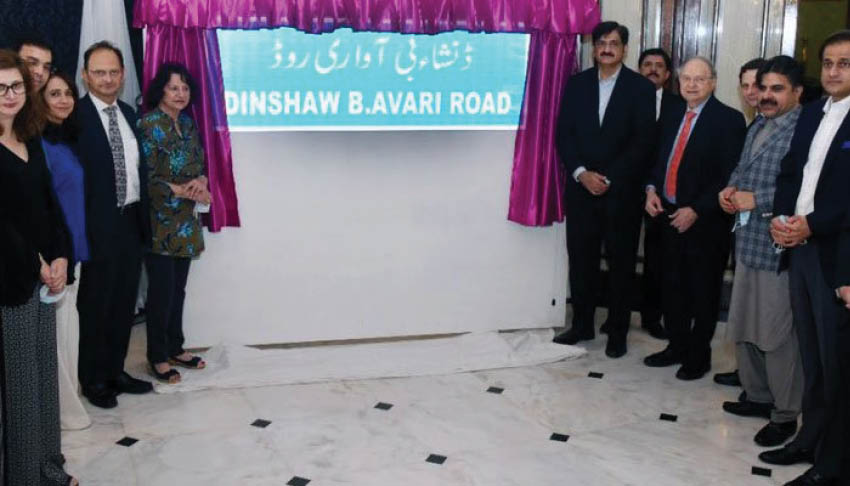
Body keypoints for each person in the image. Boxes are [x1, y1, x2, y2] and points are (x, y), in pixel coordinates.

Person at [762, 30, 850, 486]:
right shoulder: (814, 111)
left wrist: (813, 224)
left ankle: (833, 464)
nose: (834, 71)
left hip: (838, 254)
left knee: (838, 365)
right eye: (828, 62)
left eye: (845, 63)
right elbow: (790, 171)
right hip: (800, 247)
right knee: (812, 354)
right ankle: (809, 439)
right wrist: (782, 217)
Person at [553, 21, 656, 358]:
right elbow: (564, 134)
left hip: (621, 193)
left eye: (614, 43)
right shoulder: (577, 84)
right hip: (581, 191)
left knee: (621, 265)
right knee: (581, 261)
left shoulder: (641, 88)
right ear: (593, 48)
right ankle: (582, 324)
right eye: (601, 43)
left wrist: (609, 178)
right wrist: (581, 173)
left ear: (624, 49)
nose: (607, 49)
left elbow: (643, 142)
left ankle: (617, 332)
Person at [717, 56, 804, 448]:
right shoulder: (759, 123)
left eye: (776, 89)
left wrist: (758, 200)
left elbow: (804, 189)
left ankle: (785, 414)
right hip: (747, 240)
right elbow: (742, 168)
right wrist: (730, 189)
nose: (766, 95)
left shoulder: (803, 130)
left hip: (778, 243)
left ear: (797, 92)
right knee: (745, 324)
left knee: (776, 334)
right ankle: (757, 396)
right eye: (763, 87)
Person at [0, 48, 77, 486]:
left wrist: (62, 253)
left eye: (16, 86)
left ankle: (49, 468)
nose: (10, 94)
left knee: (42, 379)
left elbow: (50, 205)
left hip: (41, 281)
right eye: (0, 88)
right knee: (19, 389)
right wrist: (37, 260)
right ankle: (24, 476)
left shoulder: (29, 138)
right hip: (9, 283)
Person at [643, 56, 746, 380]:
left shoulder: (729, 119)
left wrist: (698, 209)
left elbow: (729, 175)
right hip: (668, 215)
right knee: (671, 286)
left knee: (703, 291)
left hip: (706, 222)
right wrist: (651, 189)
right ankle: (676, 346)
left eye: (699, 79)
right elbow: (658, 158)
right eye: (686, 78)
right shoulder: (672, 113)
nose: (691, 84)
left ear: (713, 83)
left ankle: (699, 356)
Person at [76, 40, 152, 408]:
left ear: (122, 76)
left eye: (113, 72)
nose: (107, 79)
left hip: (130, 223)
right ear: (85, 76)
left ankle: (115, 370)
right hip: (95, 226)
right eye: (99, 72)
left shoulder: (129, 114)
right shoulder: (74, 118)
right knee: (96, 305)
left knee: (123, 303)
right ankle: (93, 379)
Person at [138, 63, 209, 384]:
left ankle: (175, 347)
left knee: (178, 290)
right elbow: (147, 178)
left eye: (185, 88)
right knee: (161, 292)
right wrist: (182, 190)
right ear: (160, 91)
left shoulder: (189, 125)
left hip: (186, 221)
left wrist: (201, 183)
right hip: (159, 222)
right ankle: (157, 356)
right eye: (173, 88)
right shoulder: (148, 125)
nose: (180, 94)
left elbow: (199, 165)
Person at [42, 70, 92, 430]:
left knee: (69, 328)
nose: (63, 100)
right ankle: (61, 410)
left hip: (75, 246)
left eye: (68, 93)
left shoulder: (67, 139)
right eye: (54, 94)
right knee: (58, 334)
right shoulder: (37, 143)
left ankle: (69, 399)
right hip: (55, 252)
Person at [635, 47, 683, 341]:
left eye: (659, 66)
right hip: (625, 188)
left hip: (662, 192)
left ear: (667, 75)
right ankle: (616, 314)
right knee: (621, 253)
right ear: (639, 69)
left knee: (658, 258)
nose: (653, 69)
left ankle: (652, 317)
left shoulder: (679, 106)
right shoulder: (625, 99)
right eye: (647, 64)